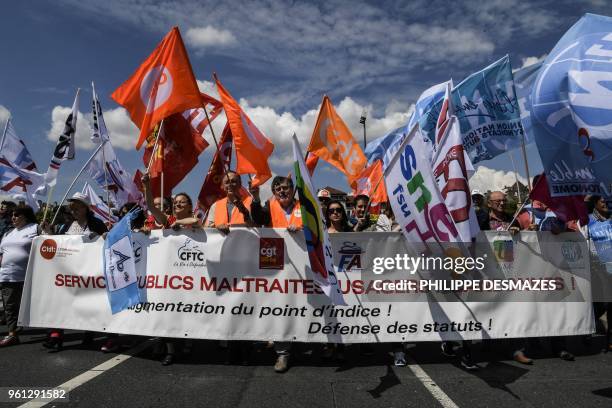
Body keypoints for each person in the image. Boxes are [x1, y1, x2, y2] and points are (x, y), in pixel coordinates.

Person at [43, 192, 108, 351]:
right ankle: (55, 336)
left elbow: (107, 240)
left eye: (77, 207)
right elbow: (59, 244)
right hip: (68, 272)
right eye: (72, 208)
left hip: (90, 271)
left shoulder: (97, 223)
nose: (74, 210)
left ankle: (89, 331)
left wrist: (101, 236)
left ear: (86, 208)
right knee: (61, 302)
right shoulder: (66, 225)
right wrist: (49, 233)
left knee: (89, 302)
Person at [249, 176, 301, 373]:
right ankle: (283, 353)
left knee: (301, 307)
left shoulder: (304, 206)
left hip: (302, 266)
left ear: (292, 189)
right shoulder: (269, 205)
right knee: (280, 305)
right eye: (277, 188)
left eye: (285, 187)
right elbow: (258, 219)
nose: (282, 191)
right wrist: (255, 198)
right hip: (276, 264)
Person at [0, 206, 39, 347]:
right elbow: (2, 253)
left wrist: (48, 231)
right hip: (7, 275)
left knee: (37, 305)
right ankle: (12, 334)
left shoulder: (35, 228)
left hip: (30, 275)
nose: (13, 217)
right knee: (10, 306)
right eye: (12, 215)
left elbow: (47, 244)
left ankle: (53, 332)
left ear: (26, 216)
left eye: (17, 214)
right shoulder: (8, 233)